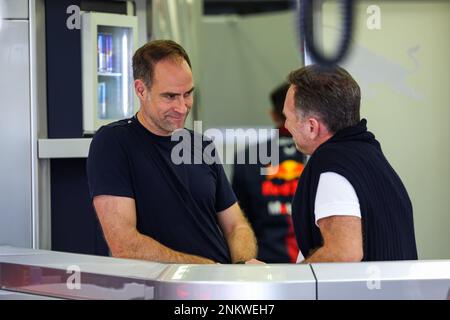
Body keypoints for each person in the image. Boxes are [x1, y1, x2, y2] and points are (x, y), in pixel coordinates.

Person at [87, 40, 257, 264]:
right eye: (170, 96)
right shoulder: (113, 142)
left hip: (219, 284)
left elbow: (236, 225)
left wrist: (243, 264)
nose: (182, 107)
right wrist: (204, 268)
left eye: (187, 94)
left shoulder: (201, 146)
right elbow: (124, 244)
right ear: (141, 89)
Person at [283, 65, 418, 263]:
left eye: (288, 118)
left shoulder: (330, 166)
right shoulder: (372, 155)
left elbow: (344, 253)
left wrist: (288, 279)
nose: (286, 125)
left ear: (312, 127)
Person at [232, 83, 306, 263]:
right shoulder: (321, 153)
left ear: (273, 115)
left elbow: (239, 218)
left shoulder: (249, 156)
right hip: (317, 265)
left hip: (265, 265)